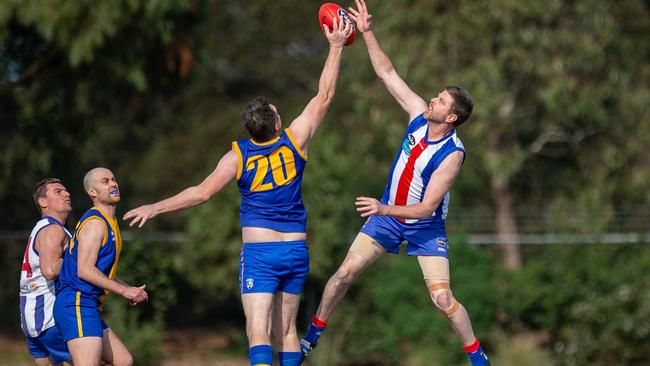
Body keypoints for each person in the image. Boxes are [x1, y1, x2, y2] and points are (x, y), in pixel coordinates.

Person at [122, 19, 354, 366]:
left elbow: (201, 193)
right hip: (295, 251)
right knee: (287, 332)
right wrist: (336, 45)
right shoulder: (295, 140)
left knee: (257, 331)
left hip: (260, 254)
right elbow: (325, 95)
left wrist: (156, 207)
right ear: (277, 125)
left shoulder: (237, 156)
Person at [300, 1, 490, 365]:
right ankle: (314, 334)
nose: (432, 99)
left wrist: (382, 206)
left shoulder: (452, 154)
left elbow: (427, 208)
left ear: (451, 117)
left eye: (440, 101)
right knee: (344, 274)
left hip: (422, 225)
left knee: (442, 300)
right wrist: (368, 32)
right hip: (386, 219)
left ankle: (477, 355)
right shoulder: (418, 116)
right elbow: (387, 73)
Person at [53, 167, 148, 366]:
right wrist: (124, 291)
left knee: (123, 361)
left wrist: (130, 288)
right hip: (76, 303)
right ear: (92, 192)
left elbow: (102, 272)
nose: (113, 184)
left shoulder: (110, 222)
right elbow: (85, 270)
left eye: (113, 180)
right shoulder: (96, 223)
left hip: (89, 305)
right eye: (105, 181)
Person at [19, 178, 73, 365]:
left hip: (31, 317)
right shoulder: (53, 229)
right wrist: (80, 260)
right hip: (48, 320)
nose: (66, 194)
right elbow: (50, 270)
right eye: (58, 191)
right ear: (43, 202)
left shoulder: (41, 228)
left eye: (66, 191)